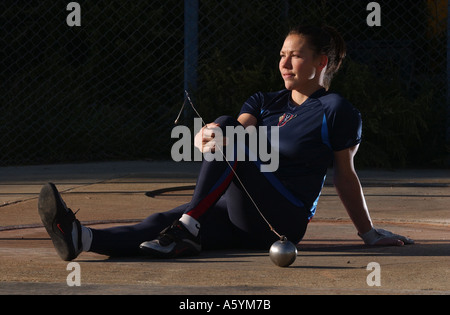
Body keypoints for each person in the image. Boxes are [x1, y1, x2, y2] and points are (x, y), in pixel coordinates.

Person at [38, 24, 414, 262]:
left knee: (225, 136)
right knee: (160, 219)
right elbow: (236, 134)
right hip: (240, 210)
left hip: (283, 218)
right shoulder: (264, 101)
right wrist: (210, 135)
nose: (284, 62)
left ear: (322, 61)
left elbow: (345, 175)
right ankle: (81, 238)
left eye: (295, 55)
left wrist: (367, 233)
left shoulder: (336, 110)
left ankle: (187, 228)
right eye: (282, 54)